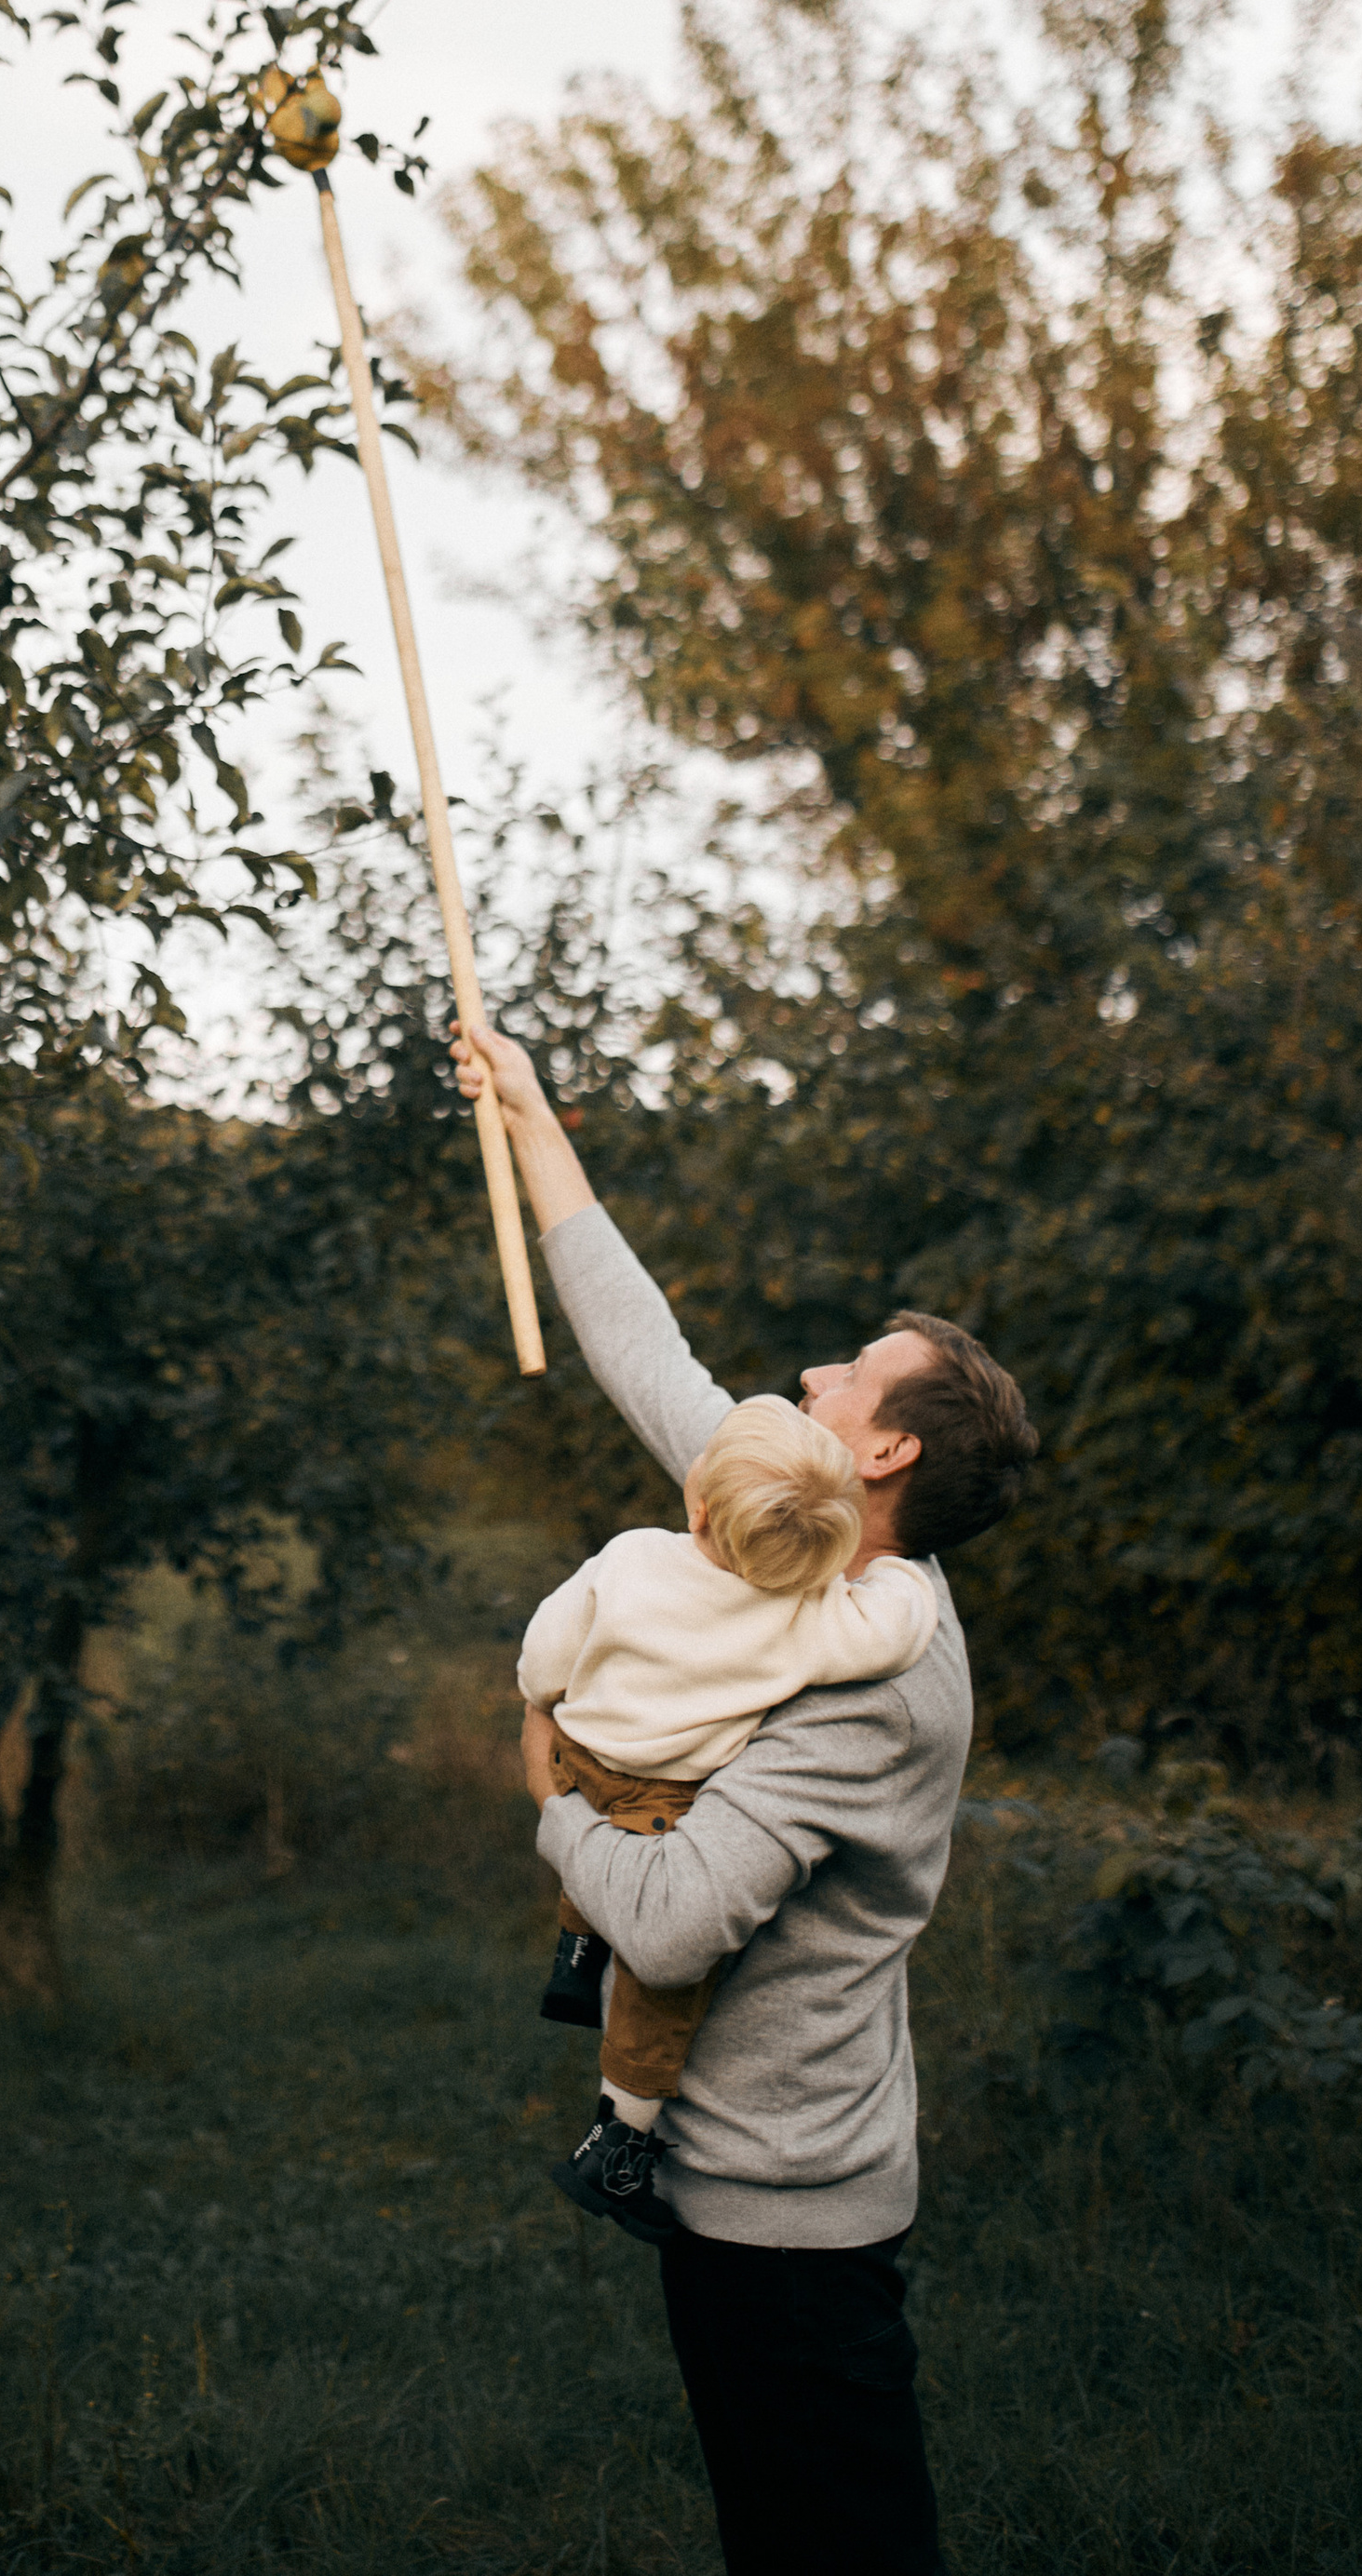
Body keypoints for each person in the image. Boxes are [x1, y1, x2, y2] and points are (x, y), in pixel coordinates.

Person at [451, 1019, 1038, 2576]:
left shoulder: (881, 1675)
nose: (810, 1374)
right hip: (735, 2178)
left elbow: (671, 1923)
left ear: (887, 1448)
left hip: (790, 2208)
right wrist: (527, 1111)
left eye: (849, 1372)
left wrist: (549, 1789)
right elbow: (639, 1342)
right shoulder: (779, 1516)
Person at [522, 1393, 938, 2242]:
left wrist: (545, 1701)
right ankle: (619, 2140)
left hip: (581, 1755)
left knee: (593, 1836)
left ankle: (575, 1955)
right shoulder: (808, 1620)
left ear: (700, 1505)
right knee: (662, 1994)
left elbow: (545, 1656)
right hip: (662, 1804)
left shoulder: (631, 1557)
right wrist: (903, 1568)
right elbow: (898, 1630)